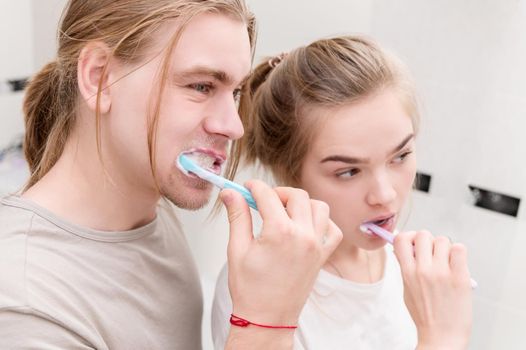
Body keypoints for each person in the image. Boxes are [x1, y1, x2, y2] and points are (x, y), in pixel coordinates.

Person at [0, 1, 344, 349]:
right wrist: (265, 322)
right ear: (99, 78)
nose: (234, 126)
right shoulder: (25, 305)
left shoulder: (151, 208)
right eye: (201, 87)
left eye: (236, 92)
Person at [212, 35, 473, 349]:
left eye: (400, 156)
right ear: (290, 174)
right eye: (349, 171)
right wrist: (443, 338)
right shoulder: (255, 287)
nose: (385, 195)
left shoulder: (407, 274)